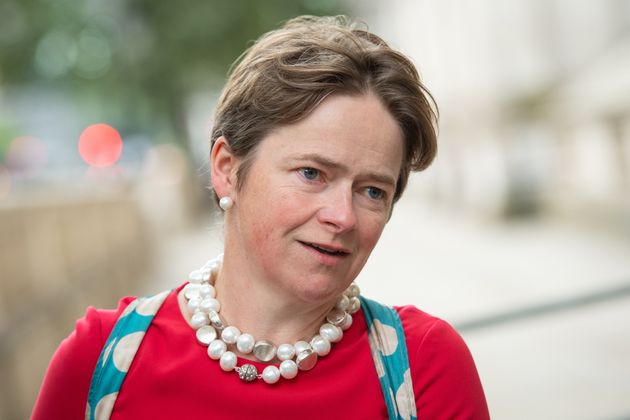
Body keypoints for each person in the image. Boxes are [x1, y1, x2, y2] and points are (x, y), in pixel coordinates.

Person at [32, 15, 489, 419]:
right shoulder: (101, 360)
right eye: (312, 173)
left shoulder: (425, 367)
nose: (343, 216)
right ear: (227, 170)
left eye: (372, 190)